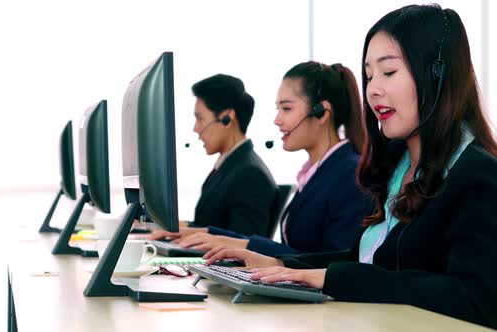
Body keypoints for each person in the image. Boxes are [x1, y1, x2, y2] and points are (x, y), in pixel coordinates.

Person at [204, 5, 497, 329]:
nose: (372, 89)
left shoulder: (478, 176)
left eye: (388, 73)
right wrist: (279, 263)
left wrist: (332, 279)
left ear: (437, 76)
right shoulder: (398, 168)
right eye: (369, 75)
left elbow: (476, 299)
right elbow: (363, 260)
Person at [161, 62, 373, 257]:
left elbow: (333, 262)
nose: (277, 120)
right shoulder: (317, 173)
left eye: (287, 108)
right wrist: (212, 235)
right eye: (277, 108)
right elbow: (299, 251)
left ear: (321, 112)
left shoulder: (350, 174)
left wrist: (241, 246)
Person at [160, 74, 278, 237]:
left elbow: (242, 241)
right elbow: (208, 224)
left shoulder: (250, 174)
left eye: (200, 119)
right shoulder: (229, 166)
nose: (196, 128)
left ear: (227, 118)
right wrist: (163, 227)